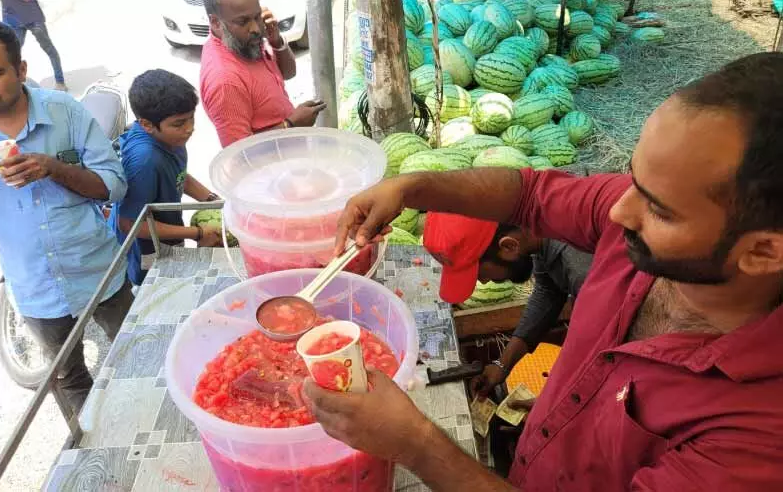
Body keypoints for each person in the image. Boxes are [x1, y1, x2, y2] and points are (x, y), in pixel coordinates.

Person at [305, 52, 783, 491]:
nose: (617, 212)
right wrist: (412, 188)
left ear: (763, 252)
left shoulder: (759, 438)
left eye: (659, 210)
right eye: (634, 179)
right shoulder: (642, 223)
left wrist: (415, 443)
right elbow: (528, 194)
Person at [0, 17, 130, 414]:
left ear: (21, 70)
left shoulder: (65, 112)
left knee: (135, 352)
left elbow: (113, 185)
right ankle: (92, 448)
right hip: (34, 286)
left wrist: (54, 168)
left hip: (98, 268)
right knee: (67, 378)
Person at [421, 212, 593, 399]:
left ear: (509, 246)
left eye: (481, 274)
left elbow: (606, 353)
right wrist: (502, 365)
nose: (485, 282)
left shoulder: (583, 272)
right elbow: (548, 291)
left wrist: (553, 405)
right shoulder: (537, 232)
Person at [108, 69, 223, 286]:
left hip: (169, 231)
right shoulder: (145, 161)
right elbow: (130, 224)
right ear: (147, 124)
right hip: (147, 247)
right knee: (157, 287)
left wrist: (212, 201)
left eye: (191, 119)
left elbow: (179, 176)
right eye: (179, 123)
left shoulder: (170, 139)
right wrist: (196, 233)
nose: (189, 129)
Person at [200, 0, 326, 147]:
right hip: (269, 166)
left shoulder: (243, 44)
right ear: (215, 22)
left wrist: (276, 40)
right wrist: (291, 124)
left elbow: (288, 73)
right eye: (243, 21)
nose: (256, 29)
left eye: (257, 16)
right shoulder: (224, 81)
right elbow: (239, 153)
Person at [0, 0, 67, 91]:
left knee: (49, 49)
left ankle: (60, 81)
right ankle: (13, 86)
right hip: (12, 20)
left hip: (32, 18)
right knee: (10, 55)